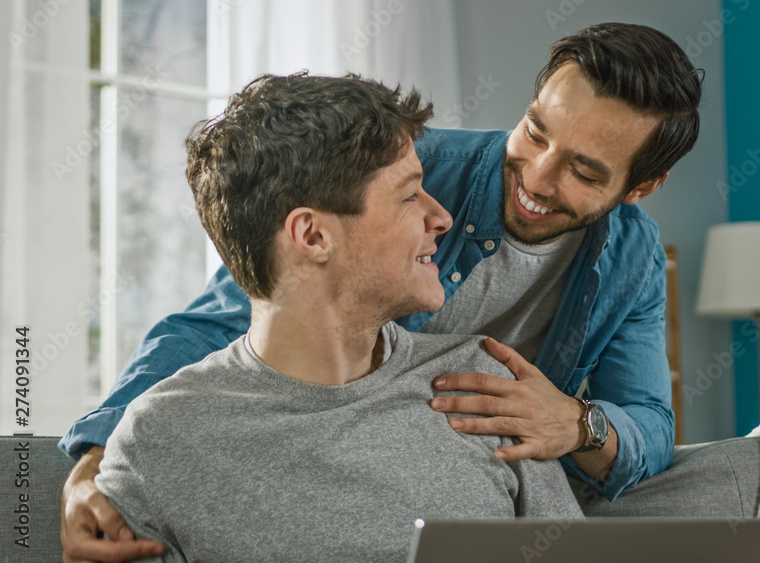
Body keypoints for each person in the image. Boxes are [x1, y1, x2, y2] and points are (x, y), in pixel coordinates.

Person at [60, 22, 702, 561]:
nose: (536, 175)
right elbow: (237, 313)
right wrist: (96, 459)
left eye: (584, 170)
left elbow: (648, 425)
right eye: (535, 131)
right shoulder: (405, 168)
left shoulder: (630, 259)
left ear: (640, 187)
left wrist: (575, 423)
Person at [94, 72, 584, 561]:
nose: (441, 218)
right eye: (410, 195)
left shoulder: (484, 386)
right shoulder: (157, 440)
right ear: (312, 236)